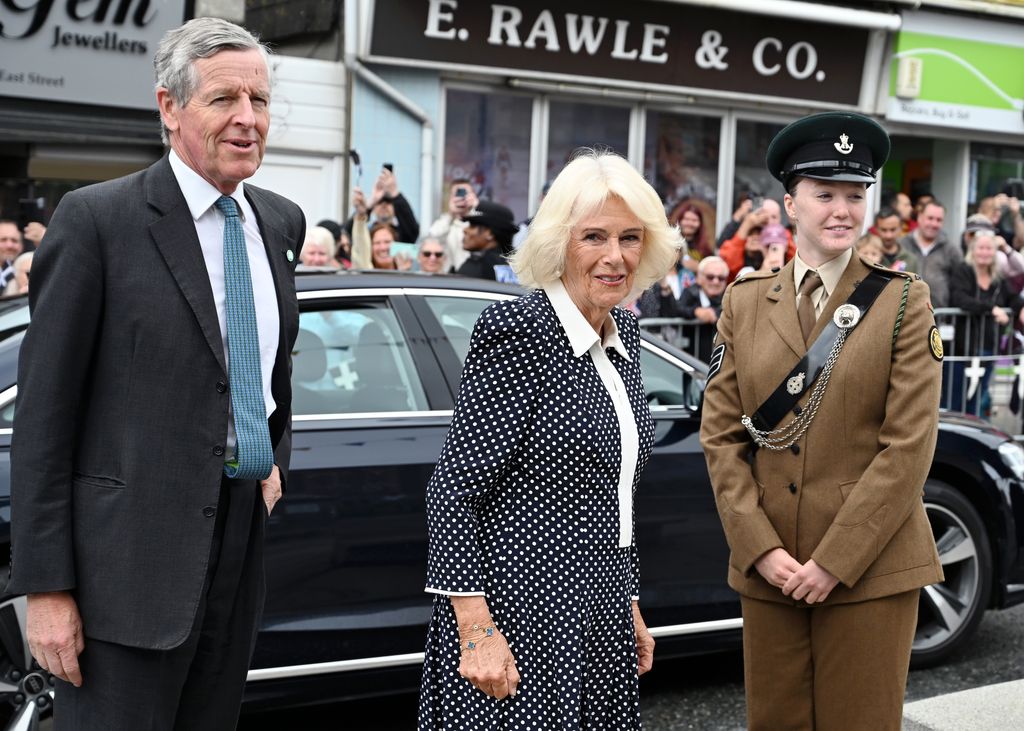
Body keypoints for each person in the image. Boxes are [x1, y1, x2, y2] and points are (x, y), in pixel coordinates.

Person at [8, 18, 305, 731]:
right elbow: (44, 419)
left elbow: (270, 372)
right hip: (126, 568)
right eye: (224, 99)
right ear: (171, 108)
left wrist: (271, 459)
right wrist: (46, 589)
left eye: (259, 101)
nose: (247, 119)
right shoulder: (97, 221)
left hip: (237, 542)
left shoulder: (280, 223)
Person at [418, 150, 678, 729]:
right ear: (561, 242)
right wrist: (476, 631)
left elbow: (615, 496)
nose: (615, 257)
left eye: (630, 238)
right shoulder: (519, 333)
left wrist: (627, 601)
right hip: (520, 612)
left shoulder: (625, 332)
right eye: (594, 237)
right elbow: (453, 493)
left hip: (601, 608)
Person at [701, 112, 943, 731]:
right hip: (772, 568)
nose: (843, 210)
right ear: (790, 203)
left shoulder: (901, 301)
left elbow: (907, 447)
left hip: (870, 567)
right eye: (825, 194)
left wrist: (836, 558)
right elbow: (722, 435)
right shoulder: (746, 299)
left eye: (855, 195)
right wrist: (759, 548)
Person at [946, 231, 1024, 416]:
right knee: (955, 400)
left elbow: (1012, 297)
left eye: (989, 248)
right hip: (962, 348)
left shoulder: (998, 278)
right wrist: (992, 309)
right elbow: (960, 299)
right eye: (981, 248)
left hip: (988, 347)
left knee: (978, 400)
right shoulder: (963, 271)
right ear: (972, 250)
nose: (985, 252)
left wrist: (1021, 308)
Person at [900, 199, 962, 307]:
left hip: (938, 317)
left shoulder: (951, 250)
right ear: (919, 217)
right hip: (904, 314)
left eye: (939, 220)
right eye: (930, 218)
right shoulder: (902, 245)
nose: (934, 224)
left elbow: (959, 284)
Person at [718, 199, 797, 281]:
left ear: (780, 219)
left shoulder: (783, 235)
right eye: (764, 216)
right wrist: (747, 225)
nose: (768, 221)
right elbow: (729, 266)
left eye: (773, 217)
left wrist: (778, 238)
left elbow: (796, 263)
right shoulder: (744, 232)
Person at [456, 200, 519, 280]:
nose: (465, 230)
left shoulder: (479, 267)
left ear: (490, 234)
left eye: (472, 226)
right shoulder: (516, 265)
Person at [428, 178, 478, 269]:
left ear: (473, 196)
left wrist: (475, 209)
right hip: (451, 278)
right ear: (451, 197)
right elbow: (433, 238)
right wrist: (451, 214)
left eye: (465, 193)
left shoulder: (480, 220)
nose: (462, 198)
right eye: (458, 194)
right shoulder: (445, 221)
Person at [873, 207, 918, 273]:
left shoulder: (911, 260)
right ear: (876, 229)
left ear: (901, 228)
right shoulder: (867, 256)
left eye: (893, 230)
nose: (889, 235)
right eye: (884, 230)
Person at [0, 219, 23, 289]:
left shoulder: (26, 273)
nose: (9, 245)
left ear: (21, 246)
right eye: (3, 240)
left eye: (14, 241)